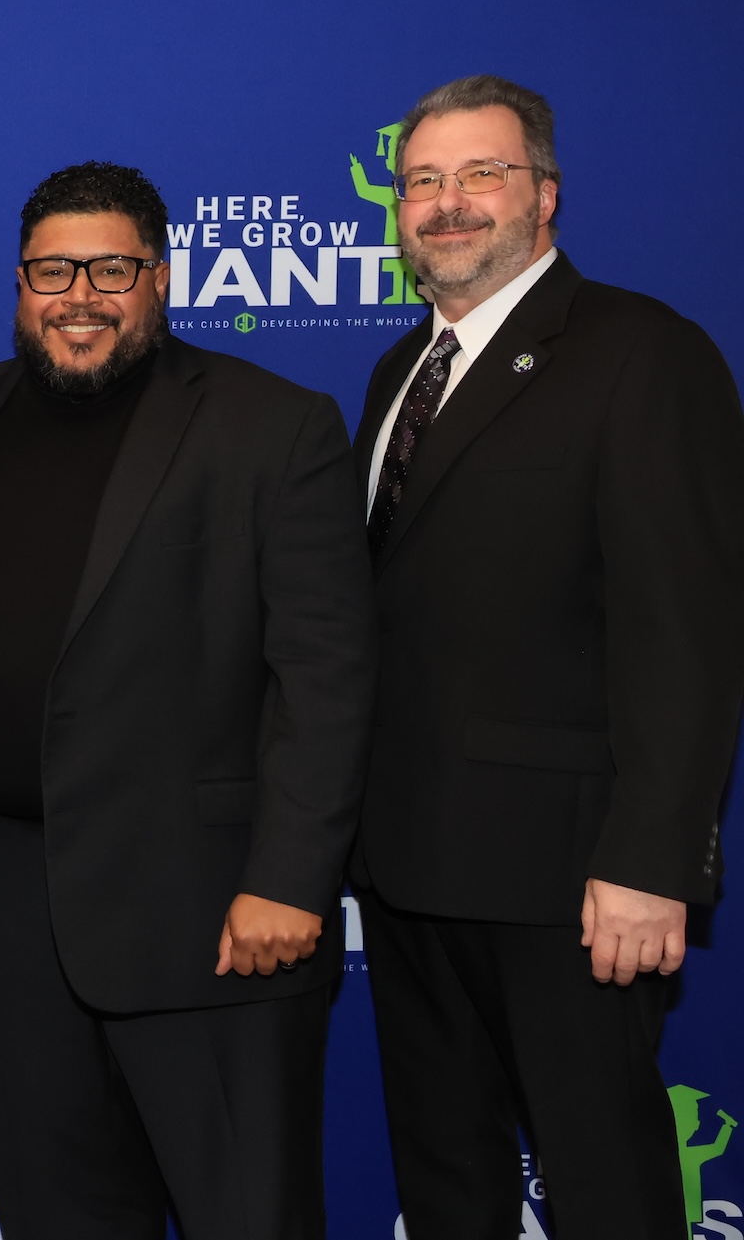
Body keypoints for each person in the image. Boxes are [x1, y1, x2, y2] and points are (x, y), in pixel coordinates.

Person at [0, 162, 376, 1239]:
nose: (79, 296)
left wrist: (288, 878)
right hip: (9, 918)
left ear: (161, 278)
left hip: (211, 917)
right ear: (20, 283)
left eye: (111, 269)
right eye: (52, 271)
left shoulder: (273, 426)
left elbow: (328, 674)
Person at [350, 74, 744, 1238]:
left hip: (570, 882)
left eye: (483, 173)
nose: (448, 202)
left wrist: (654, 857)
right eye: (423, 180)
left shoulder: (642, 352)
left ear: (547, 193)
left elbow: (687, 627)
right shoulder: (398, 371)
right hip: (409, 868)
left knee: (605, 1183)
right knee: (444, 1184)